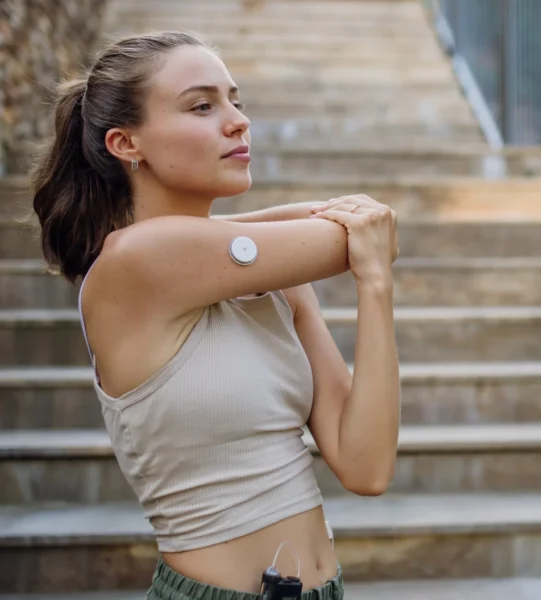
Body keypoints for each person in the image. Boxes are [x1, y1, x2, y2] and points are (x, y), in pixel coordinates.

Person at [31, 31, 400, 600]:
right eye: (202, 106)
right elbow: (346, 234)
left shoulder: (269, 278)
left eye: (235, 101)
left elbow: (365, 466)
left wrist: (376, 288)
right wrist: (364, 248)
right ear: (126, 144)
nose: (236, 122)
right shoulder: (133, 262)